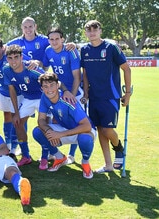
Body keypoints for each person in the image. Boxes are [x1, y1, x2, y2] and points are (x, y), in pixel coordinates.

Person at [80, 20, 132, 173]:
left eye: (95, 29)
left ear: (100, 30)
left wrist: (127, 93)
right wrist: (86, 93)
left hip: (110, 96)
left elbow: (126, 69)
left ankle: (119, 148)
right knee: (100, 129)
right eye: (89, 30)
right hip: (94, 98)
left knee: (108, 130)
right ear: (85, 33)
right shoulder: (84, 50)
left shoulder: (111, 47)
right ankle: (108, 164)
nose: (92, 32)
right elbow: (85, 74)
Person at [32, 72, 95, 178]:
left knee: (85, 139)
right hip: (64, 129)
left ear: (58, 85)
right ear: (42, 88)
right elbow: (41, 120)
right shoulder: (44, 97)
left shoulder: (67, 100)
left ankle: (85, 162)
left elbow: (87, 126)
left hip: (83, 131)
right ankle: (60, 157)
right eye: (45, 86)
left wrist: (59, 135)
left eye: (52, 85)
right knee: (38, 132)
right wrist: (49, 131)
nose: (49, 89)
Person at [43, 27, 83, 164]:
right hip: (58, 92)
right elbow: (44, 69)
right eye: (51, 39)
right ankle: (56, 153)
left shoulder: (71, 51)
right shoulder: (48, 51)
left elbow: (77, 77)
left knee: (76, 123)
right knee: (55, 121)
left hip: (74, 92)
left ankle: (72, 155)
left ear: (63, 39)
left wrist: (71, 95)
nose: (54, 42)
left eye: (57, 39)